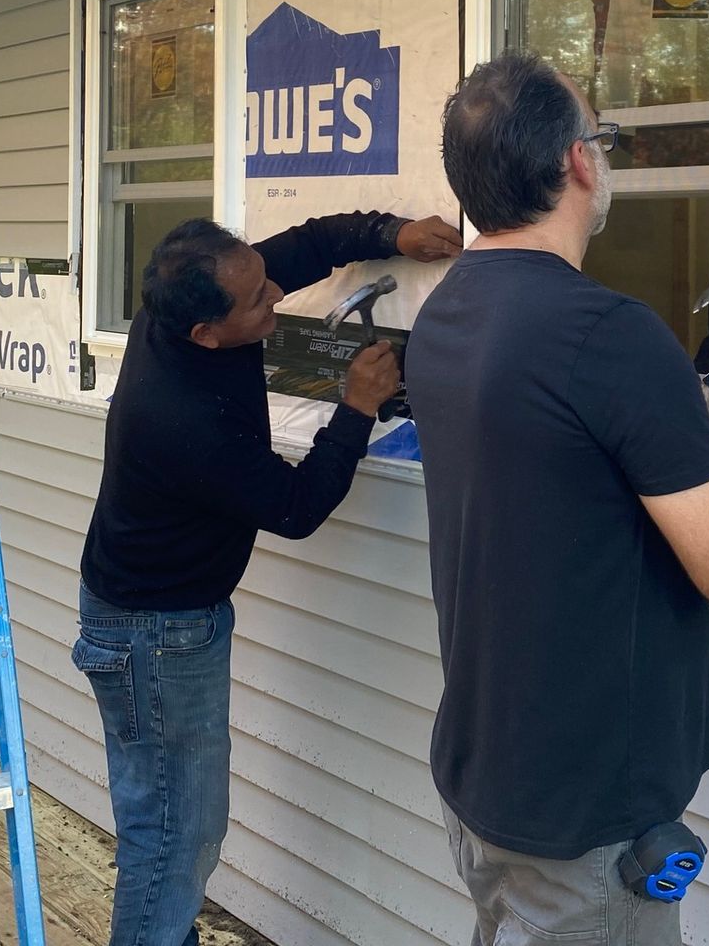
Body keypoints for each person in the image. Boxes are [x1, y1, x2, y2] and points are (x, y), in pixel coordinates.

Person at [407, 54, 709, 946]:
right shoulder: (606, 332)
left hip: (490, 778)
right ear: (578, 161)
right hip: (589, 825)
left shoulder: (451, 312)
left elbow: (574, 436)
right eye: (602, 139)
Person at [74, 210, 461, 946]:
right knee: (175, 834)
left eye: (261, 279)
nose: (275, 298)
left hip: (146, 618)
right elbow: (292, 507)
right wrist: (356, 409)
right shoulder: (185, 418)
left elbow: (308, 247)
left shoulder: (197, 301)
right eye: (258, 302)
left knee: (167, 823)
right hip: (155, 637)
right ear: (207, 335)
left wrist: (394, 232)